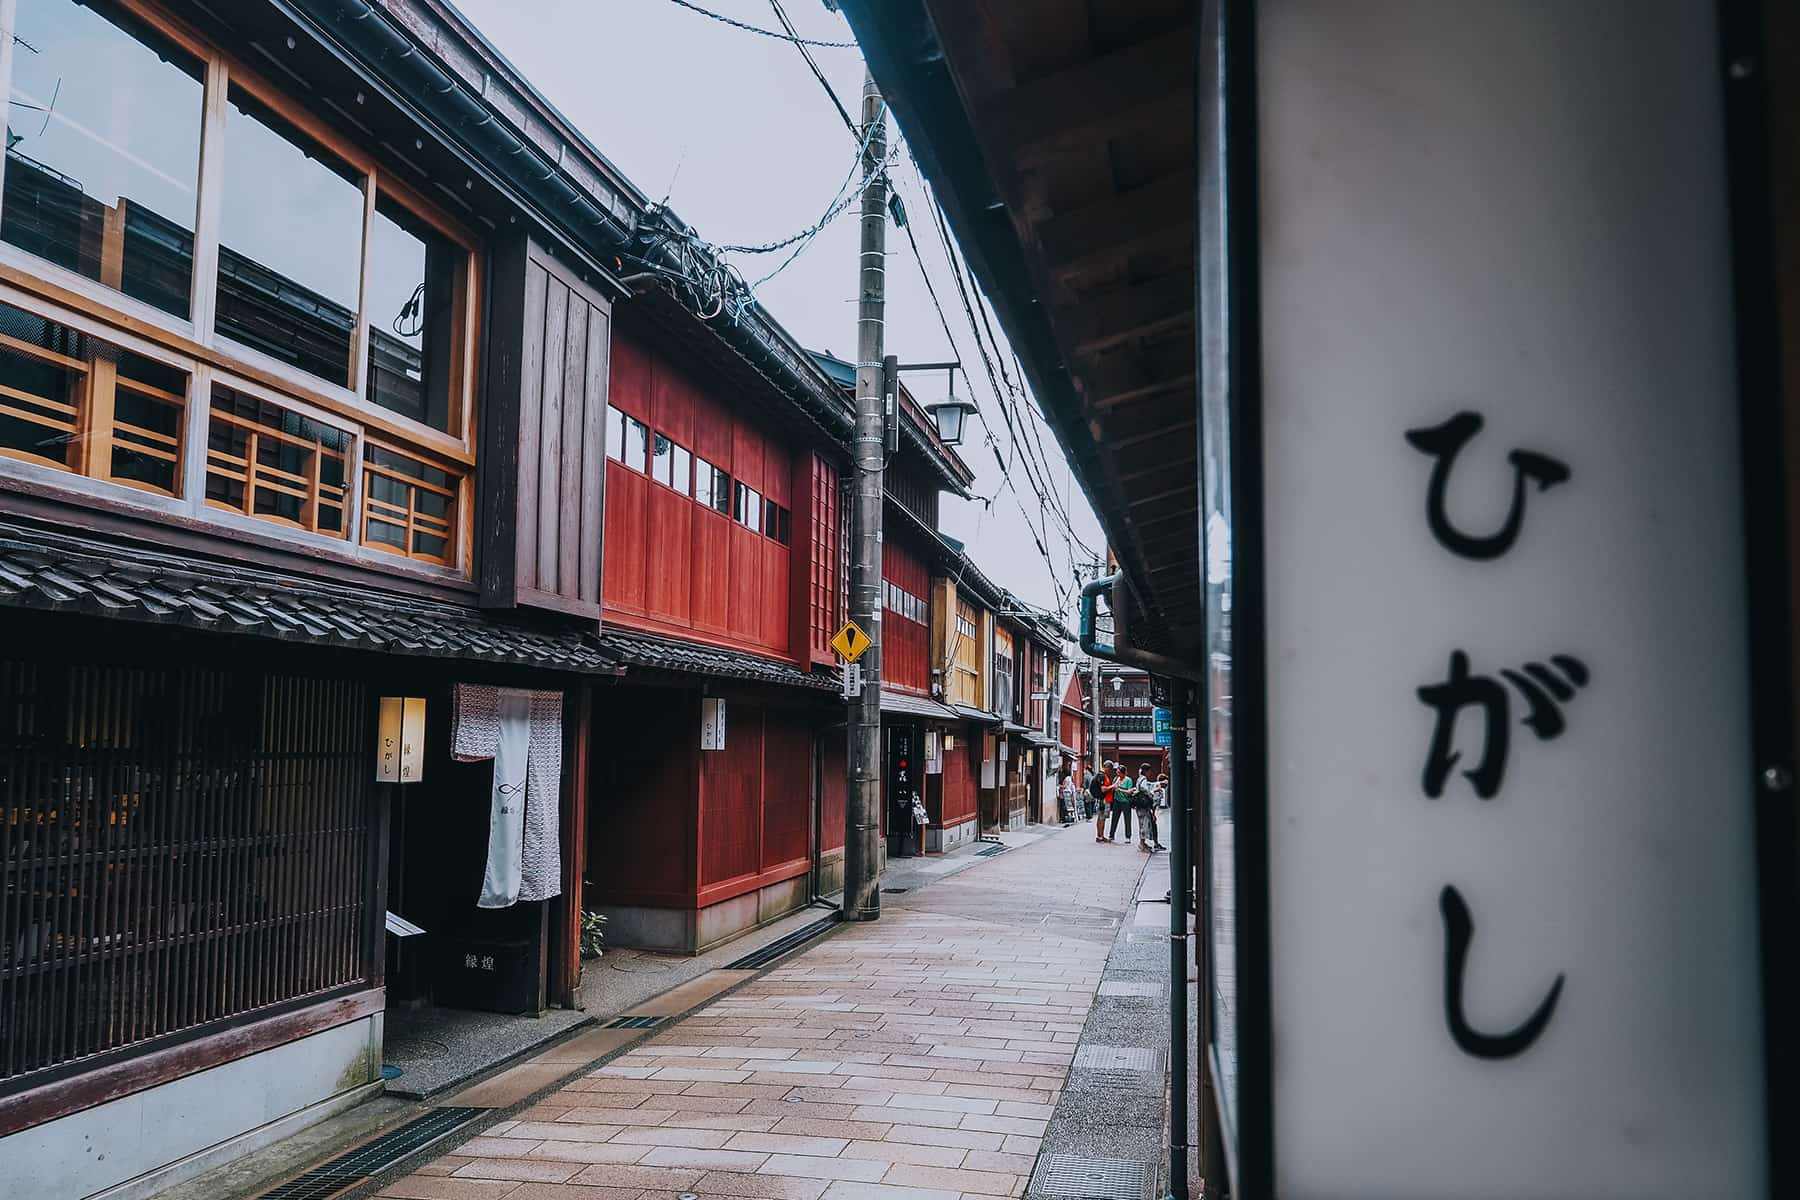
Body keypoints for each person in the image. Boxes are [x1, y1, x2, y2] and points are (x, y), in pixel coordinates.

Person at [1134, 767, 1164, 851]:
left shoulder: (1140, 779)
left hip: (1140, 805)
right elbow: (1145, 788)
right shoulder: (1143, 779)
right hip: (1143, 806)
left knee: (1143, 824)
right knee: (1144, 824)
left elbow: (1148, 785)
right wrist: (1152, 791)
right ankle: (1142, 844)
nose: (1150, 773)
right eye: (1149, 771)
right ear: (1146, 771)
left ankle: (1143, 843)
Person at [1108, 762, 1133, 843]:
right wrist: (1113, 788)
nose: (1117, 774)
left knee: (1127, 819)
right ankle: (1111, 835)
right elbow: (1112, 788)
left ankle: (1128, 836)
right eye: (1117, 772)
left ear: (1123, 773)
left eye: (1119, 772)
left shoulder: (1128, 780)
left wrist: (1119, 789)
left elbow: (1129, 791)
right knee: (1114, 818)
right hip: (1116, 801)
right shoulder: (1116, 779)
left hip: (1125, 801)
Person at [1090, 764, 1110, 841]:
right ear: (1107, 767)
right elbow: (1103, 789)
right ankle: (1100, 836)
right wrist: (1113, 786)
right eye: (1109, 769)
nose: (1110, 771)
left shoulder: (1099, 774)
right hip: (1102, 799)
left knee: (1101, 817)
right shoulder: (1101, 776)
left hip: (1100, 799)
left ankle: (1100, 835)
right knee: (1102, 817)